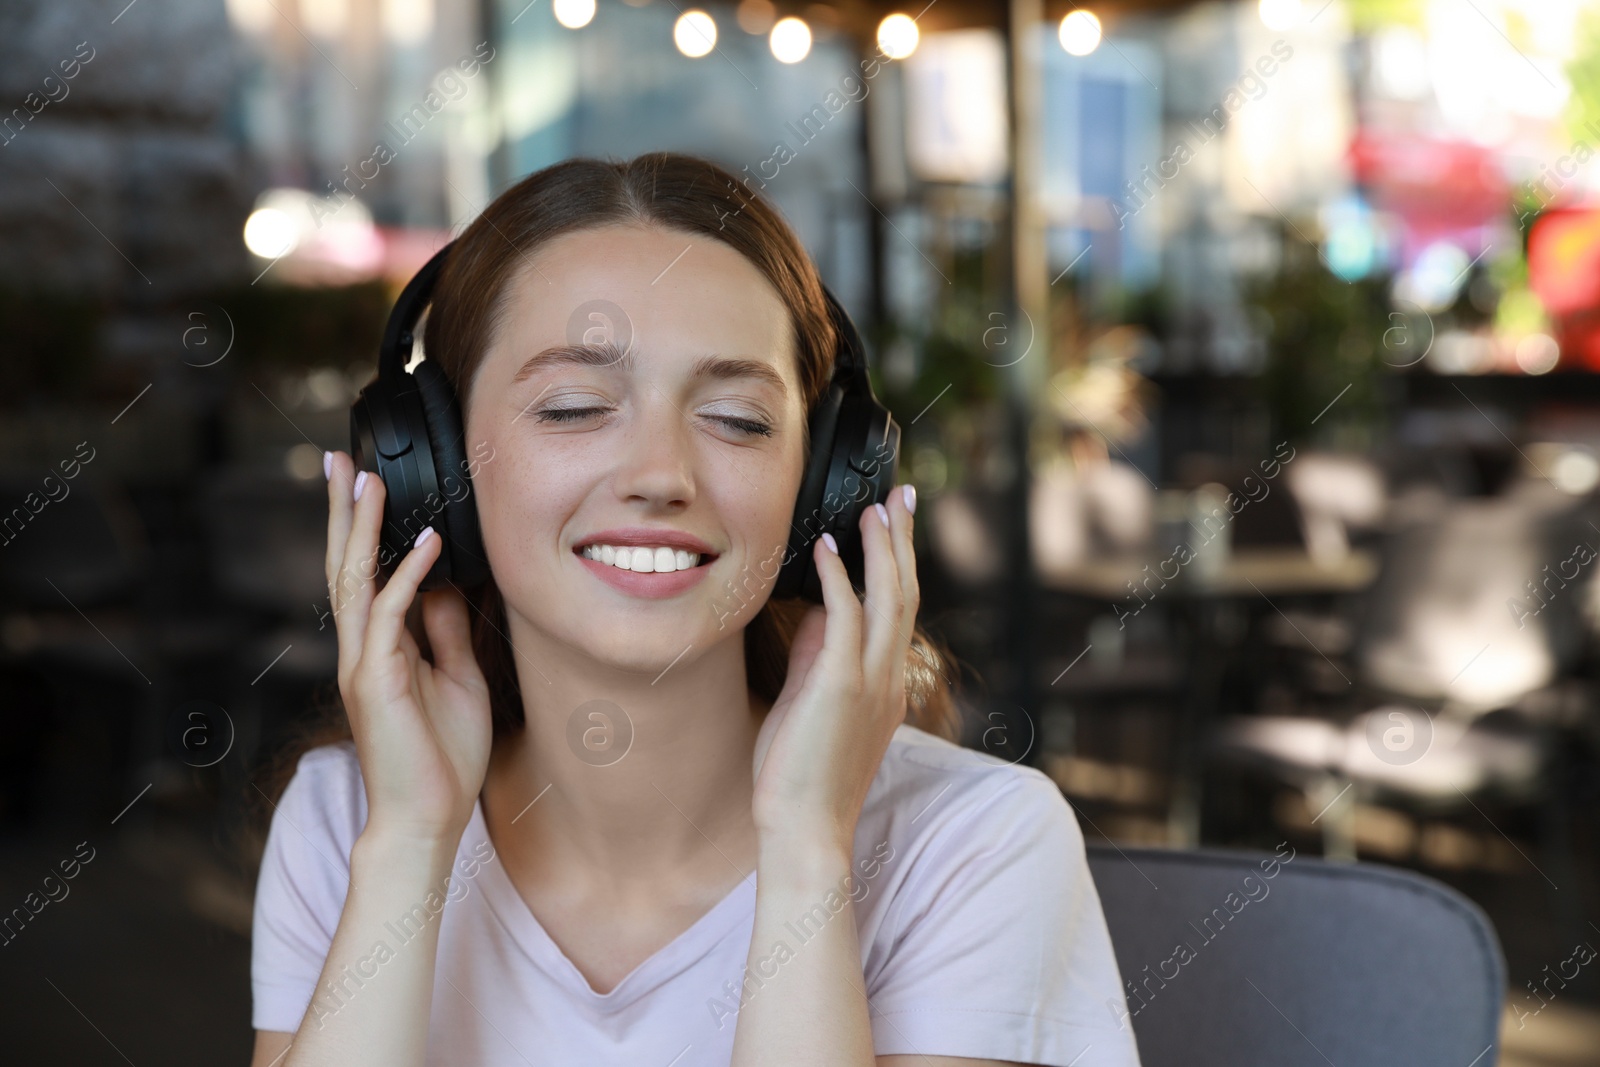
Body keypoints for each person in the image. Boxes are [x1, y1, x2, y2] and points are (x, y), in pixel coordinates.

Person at [247, 153, 1141, 1067]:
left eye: (739, 419)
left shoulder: (972, 845)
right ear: (430, 473)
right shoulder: (349, 823)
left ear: (824, 486)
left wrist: (806, 855)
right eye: (573, 406)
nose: (660, 476)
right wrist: (408, 849)